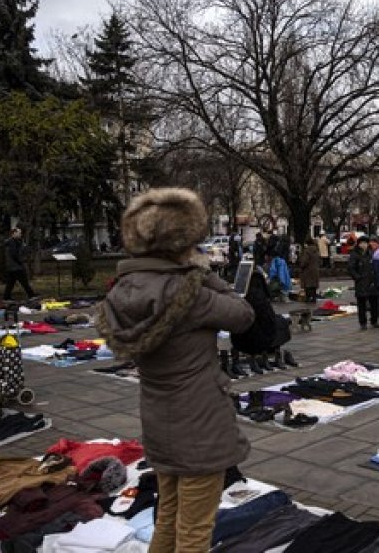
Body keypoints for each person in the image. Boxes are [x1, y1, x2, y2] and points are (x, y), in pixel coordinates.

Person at [95, 188, 254, 552]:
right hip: (201, 424)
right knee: (195, 530)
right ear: (184, 242)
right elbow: (244, 315)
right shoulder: (190, 293)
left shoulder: (121, 291)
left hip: (158, 421)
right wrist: (205, 275)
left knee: (168, 515)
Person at [348, 235, 379, 330]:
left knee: (374, 303)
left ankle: (374, 320)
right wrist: (357, 277)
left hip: (372, 282)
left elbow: (376, 266)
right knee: (361, 304)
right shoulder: (355, 254)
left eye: (365, 243)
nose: (364, 245)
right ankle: (363, 322)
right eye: (362, 243)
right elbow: (351, 268)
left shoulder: (372, 253)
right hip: (361, 282)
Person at [3, 227, 37, 301]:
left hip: (11, 266)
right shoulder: (12, 242)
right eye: (19, 233)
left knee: (10, 283)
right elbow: (14, 254)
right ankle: (31, 295)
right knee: (24, 281)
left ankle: (6, 297)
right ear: (14, 233)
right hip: (16, 266)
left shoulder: (14, 241)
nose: (20, 234)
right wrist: (20, 262)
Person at [298, 237, 321, 303]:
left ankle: (308, 298)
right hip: (315, 269)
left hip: (307, 270)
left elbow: (304, 261)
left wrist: (301, 265)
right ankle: (314, 298)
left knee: (307, 285)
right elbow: (320, 261)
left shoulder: (307, 251)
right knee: (313, 285)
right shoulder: (316, 250)